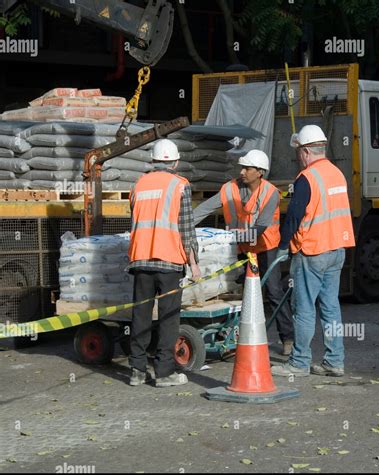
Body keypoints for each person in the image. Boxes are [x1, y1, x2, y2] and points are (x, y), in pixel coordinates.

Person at [271, 125, 355, 378]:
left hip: (312, 251)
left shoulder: (307, 178)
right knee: (331, 307)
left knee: (304, 307)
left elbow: (294, 216)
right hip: (337, 249)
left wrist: (283, 246)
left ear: (307, 151)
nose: (298, 157)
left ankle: (299, 361)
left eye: (298, 151)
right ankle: (335, 361)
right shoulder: (337, 174)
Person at [193, 149, 294, 355]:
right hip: (240, 248)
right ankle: (233, 337)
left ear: (260, 172)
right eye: (242, 167)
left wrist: (226, 237)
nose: (242, 171)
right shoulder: (229, 189)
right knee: (234, 292)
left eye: (247, 168)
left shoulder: (270, 193)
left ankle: (288, 338)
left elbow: (261, 227)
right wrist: (184, 226)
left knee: (274, 291)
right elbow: (205, 208)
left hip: (266, 247)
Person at [127, 139, 201, 387]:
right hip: (169, 260)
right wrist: (194, 264)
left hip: (141, 259)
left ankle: (137, 370)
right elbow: (187, 229)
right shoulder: (180, 185)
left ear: (153, 161)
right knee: (169, 317)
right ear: (176, 162)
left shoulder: (138, 185)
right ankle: (164, 372)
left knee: (141, 315)